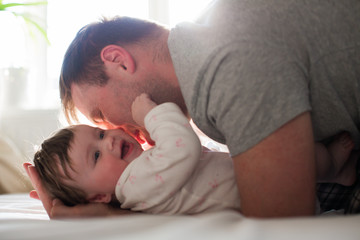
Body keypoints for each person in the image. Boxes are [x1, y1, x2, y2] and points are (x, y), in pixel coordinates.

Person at [26, 0, 360, 218]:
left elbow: (278, 225)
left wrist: (111, 219)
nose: (118, 130)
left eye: (101, 117)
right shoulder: (205, 52)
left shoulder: (223, 62)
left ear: (118, 61)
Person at [31, 94, 356, 216]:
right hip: (278, 194)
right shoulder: (135, 184)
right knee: (297, 156)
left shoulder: (141, 177)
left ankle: (334, 172)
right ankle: (333, 168)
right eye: (97, 157)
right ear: (101, 196)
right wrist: (150, 114)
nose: (110, 142)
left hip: (271, 186)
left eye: (100, 134)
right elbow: (182, 147)